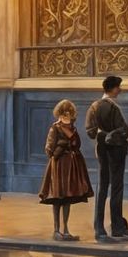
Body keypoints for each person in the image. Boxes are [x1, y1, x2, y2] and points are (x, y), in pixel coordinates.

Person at [85, 74, 128, 243]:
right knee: (116, 187)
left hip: (101, 149)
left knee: (102, 186)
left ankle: (99, 227)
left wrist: (102, 135)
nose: (120, 90)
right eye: (118, 87)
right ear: (113, 88)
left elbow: (91, 132)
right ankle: (117, 226)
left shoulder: (94, 106)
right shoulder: (113, 107)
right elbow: (123, 130)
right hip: (116, 151)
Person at [38, 98, 93, 241]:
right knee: (57, 197)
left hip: (71, 166)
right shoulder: (55, 127)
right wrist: (60, 147)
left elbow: (77, 145)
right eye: (64, 112)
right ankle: (56, 230)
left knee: (68, 197)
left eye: (69, 112)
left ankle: (65, 229)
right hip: (58, 165)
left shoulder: (73, 127)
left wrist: (73, 144)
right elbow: (48, 150)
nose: (67, 115)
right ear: (60, 113)